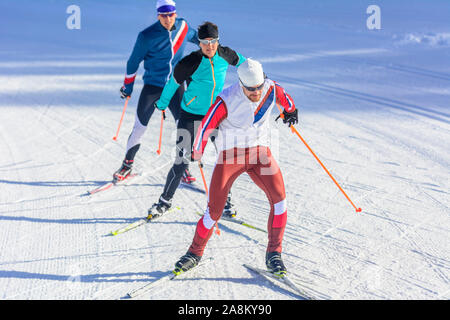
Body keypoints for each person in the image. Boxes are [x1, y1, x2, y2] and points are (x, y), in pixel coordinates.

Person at [173, 58, 298, 277]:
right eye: (251, 89)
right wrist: (197, 149)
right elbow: (206, 125)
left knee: (280, 201)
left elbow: (284, 98)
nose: (256, 92)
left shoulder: (270, 87)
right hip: (231, 157)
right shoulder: (227, 99)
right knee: (214, 212)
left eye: (259, 87)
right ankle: (194, 253)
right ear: (241, 84)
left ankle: (274, 254)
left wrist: (290, 110)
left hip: (260, 153)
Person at [147, 21, 246, 219]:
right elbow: (173, 83)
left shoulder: (225, 54)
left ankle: (225, 201)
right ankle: (164, 202)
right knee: (181, 160)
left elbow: (245, 65)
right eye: (205, 42)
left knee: (224, 159)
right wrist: (162, 103)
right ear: (199, 43)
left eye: (213, 41)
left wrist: (259, 78)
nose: (210, 46)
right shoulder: (190, 61)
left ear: (218, 41)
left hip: (215, 114)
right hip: (190, 115)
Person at [113, 0, 198, 185]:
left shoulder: (183, 27)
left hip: (175, 84)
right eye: (163, 15)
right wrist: (127, 86)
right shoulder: (146, 36)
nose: (168, 19)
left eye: (171, 14)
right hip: (153, 85)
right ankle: (127, 164)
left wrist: (211, 44)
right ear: (158, 15)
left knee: (184, 127)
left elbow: (197, 38)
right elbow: (133, 62)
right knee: (140, 126)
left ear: (175, 13)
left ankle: (182, 166)